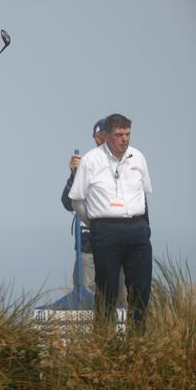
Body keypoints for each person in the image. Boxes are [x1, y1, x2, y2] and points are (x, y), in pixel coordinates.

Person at [69, 113, 153, 326]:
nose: (124, 139)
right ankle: (105, 339)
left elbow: (143, 193)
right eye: (119, 134)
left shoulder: (138, 157)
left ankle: (137, 341)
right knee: (107, 289)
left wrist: (144, 226)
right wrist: (95, 223)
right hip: (105, 228)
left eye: (127, 134)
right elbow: (76, 200)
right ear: (107, 136)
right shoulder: (91, 160)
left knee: (141, 288)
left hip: (137, 227)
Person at [61, 119, 126, 305]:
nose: (103, 140)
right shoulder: (86, 165)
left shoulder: (126, 164)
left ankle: (122, 334)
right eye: (100, 136)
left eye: (107, 136)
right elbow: (68, 202)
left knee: (122, 299)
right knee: (86, 299)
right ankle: (94, 334)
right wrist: (74, 174)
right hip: (89, 246)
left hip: (120, 245)